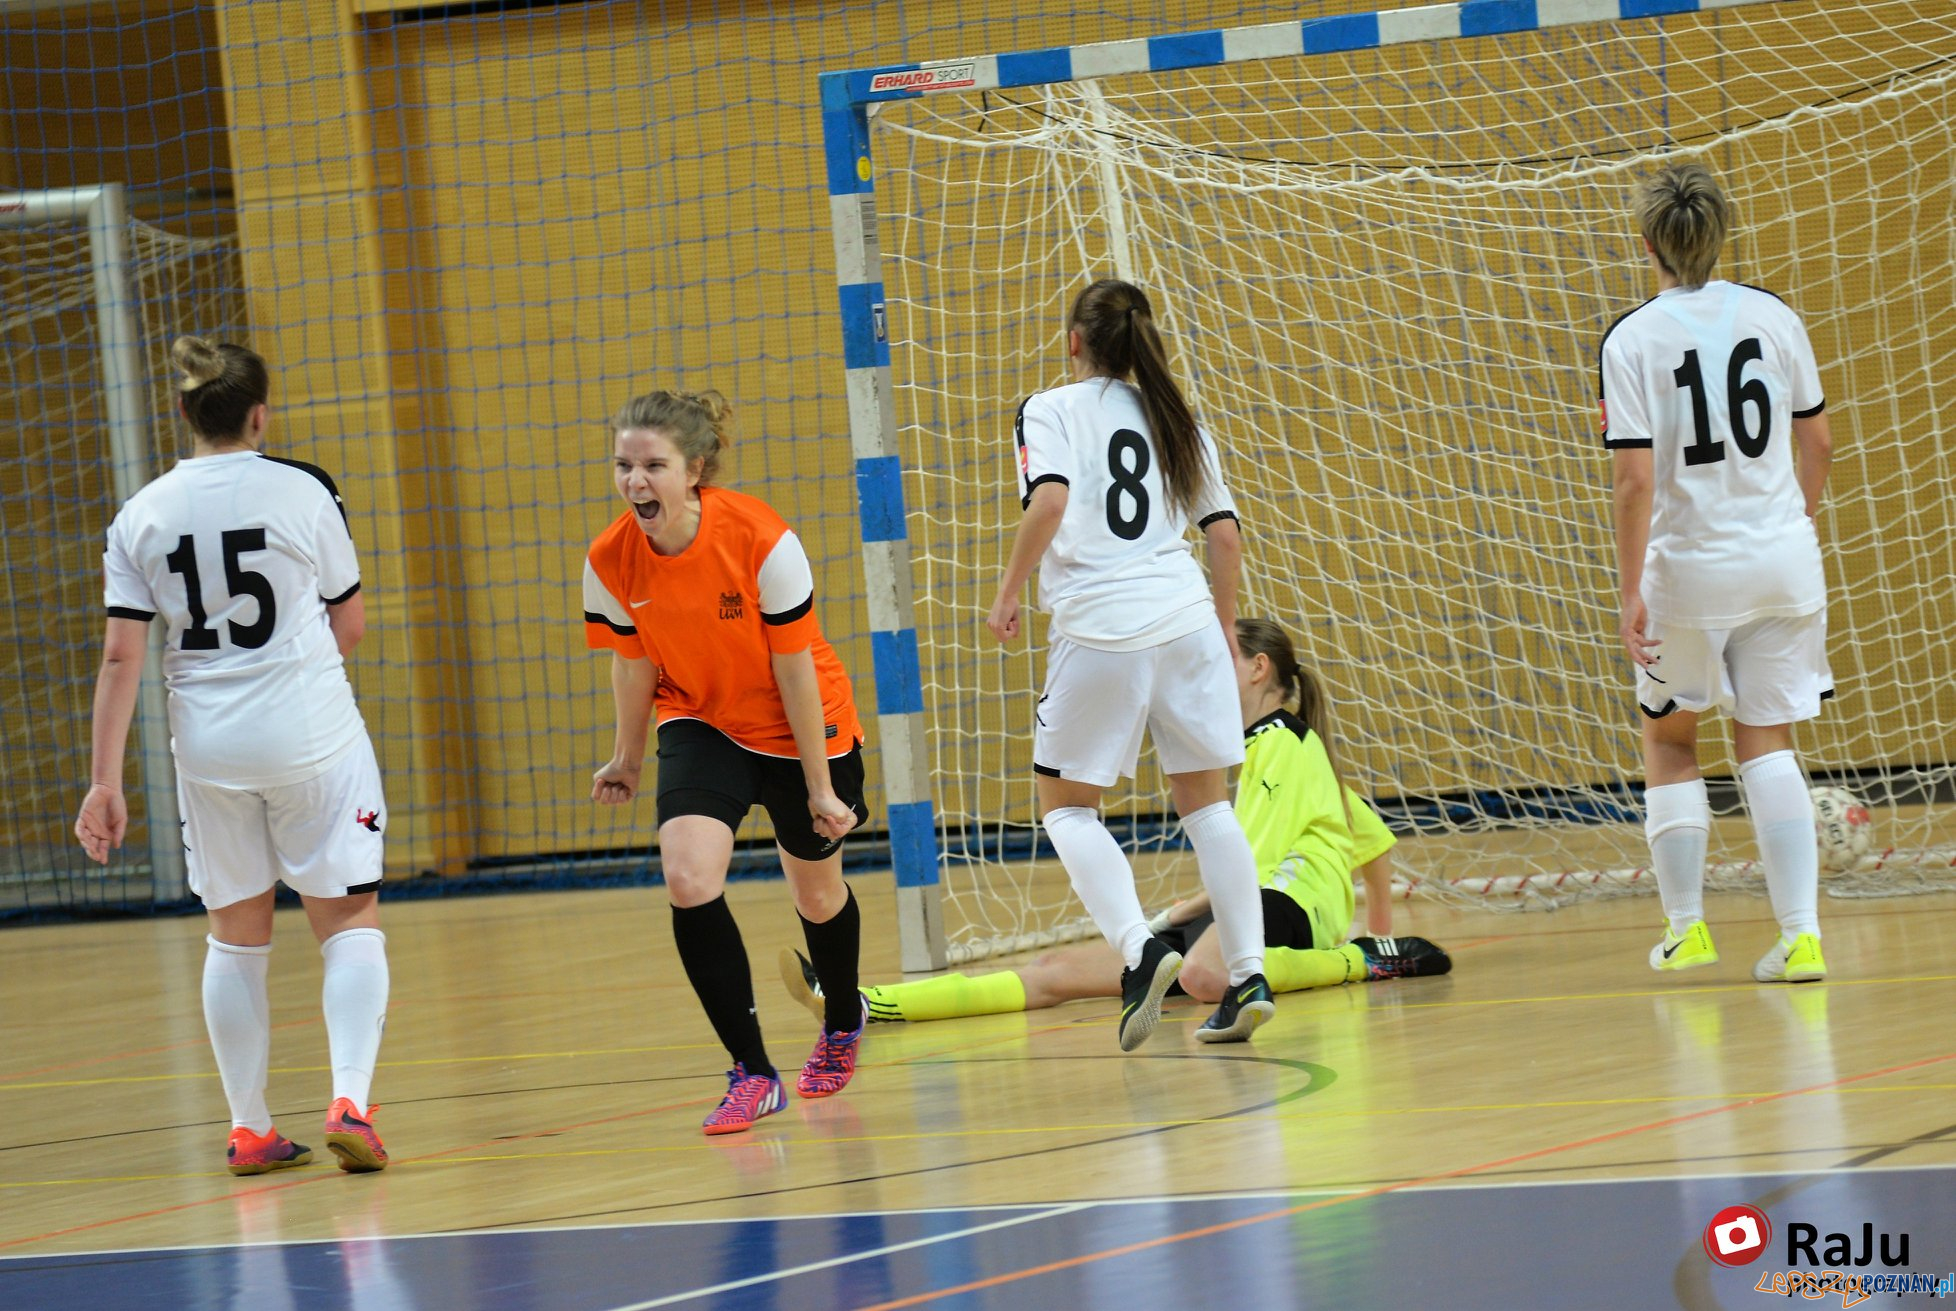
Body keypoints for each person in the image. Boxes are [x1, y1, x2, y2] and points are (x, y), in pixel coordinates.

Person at [780, 619, 1450, 1028]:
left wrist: (1372, 936)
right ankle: (864, 1003)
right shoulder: (1285, 752)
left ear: (1257, 667)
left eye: (1220, 658)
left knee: (1205, 976)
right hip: (1254, 909)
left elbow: (1245, 867)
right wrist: (1383, 917)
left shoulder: (1281, 737)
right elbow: (1371, 835)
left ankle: (1358, 963)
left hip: (1288, 907)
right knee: (1056, 970)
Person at [74, 336, 391, 1176]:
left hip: (206, 745)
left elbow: (120, 658)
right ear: (260, 413)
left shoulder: (138, 514)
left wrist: (104, 782)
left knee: (235, 935)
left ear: (183, 413)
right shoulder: (304, 489)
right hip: (310, 731)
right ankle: (350, 1100)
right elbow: (348, 623)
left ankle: (249, 1127)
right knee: (348, 918)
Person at [986, 278, 1271, 1051]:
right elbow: (1225, 537)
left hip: (1101, 627)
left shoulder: (1049, 408)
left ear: (1074, 340)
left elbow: (1048, 502)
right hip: (1183, 618)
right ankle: (1247, 973)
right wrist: (1216, 628)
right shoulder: (1177, 417)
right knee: (1208, 807)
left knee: (1068, 807)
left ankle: (1142, 952)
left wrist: (1009, 591)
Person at [583, 389, 871, 1135]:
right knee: (687, 875)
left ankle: (843, 1018)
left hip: (797, 720)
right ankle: (752, 1069)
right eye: (623, 465)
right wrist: (625, 756)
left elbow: (797, 668)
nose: (634, 481)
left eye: (653, 465)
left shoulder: (762, 540)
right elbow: (633, 663)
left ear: (696, 469)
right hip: (700, 717)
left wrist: (817, 787)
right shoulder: (611, 557)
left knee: (816, 896)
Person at [1600, 162, 1836, 983]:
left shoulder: (1631, 338)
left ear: (1647, 244)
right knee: (1767, 741)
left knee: (1670, 739)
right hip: (1781, 560)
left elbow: (1633, 481)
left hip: (1690, 569)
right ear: (1719, 233)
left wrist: (1632, 590)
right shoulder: (1773, 316)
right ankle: (1801, 935)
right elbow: (1820, 443)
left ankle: (1687, 928)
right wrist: (1790, 521)